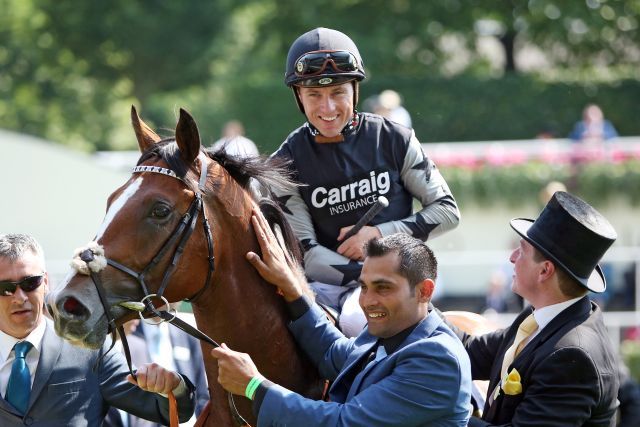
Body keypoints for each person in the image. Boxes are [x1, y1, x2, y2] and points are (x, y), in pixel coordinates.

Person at [271, 27, 460, 337]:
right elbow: (308, 253)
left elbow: (447, 211)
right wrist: (368, 274)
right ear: (299, 97)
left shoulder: (396, 139)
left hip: (397, 284)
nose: (328, 108)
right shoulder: (284, 164)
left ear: (354, 92)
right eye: (314, 95)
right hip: (327, 286)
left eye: (338, 93)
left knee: (359, 319)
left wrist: (378, 235)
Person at [211, 210, 472, 426]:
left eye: (383, 287)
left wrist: (254, 387)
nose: (368, 301)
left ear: (424, 291)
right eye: (364, 287)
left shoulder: (437, 359)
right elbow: (331, 352)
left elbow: (344, 422)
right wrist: (292, 290)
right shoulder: (386, 331)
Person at [453, 191, 620, 426]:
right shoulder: (541, 317)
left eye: (521, 250)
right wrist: (416, 298)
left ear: (545, 271)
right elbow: (469, 351)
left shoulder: (571, 356)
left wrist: (444, 417)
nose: (512, 257)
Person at [0, 233, 196, 426]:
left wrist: (171, 387)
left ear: (45, 282)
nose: (20, 298)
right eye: (5, 288)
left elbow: (170, 409)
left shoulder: (90, 350)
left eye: (30, 283)